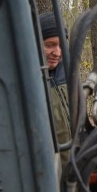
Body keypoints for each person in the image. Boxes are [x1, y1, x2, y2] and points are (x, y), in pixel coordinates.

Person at [39, 12, 71, 165]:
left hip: (79, 166)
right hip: (49, 173)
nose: (57, 52)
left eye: (61, 45)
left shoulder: (69, 71)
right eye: (49, 45)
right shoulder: (27, 80)